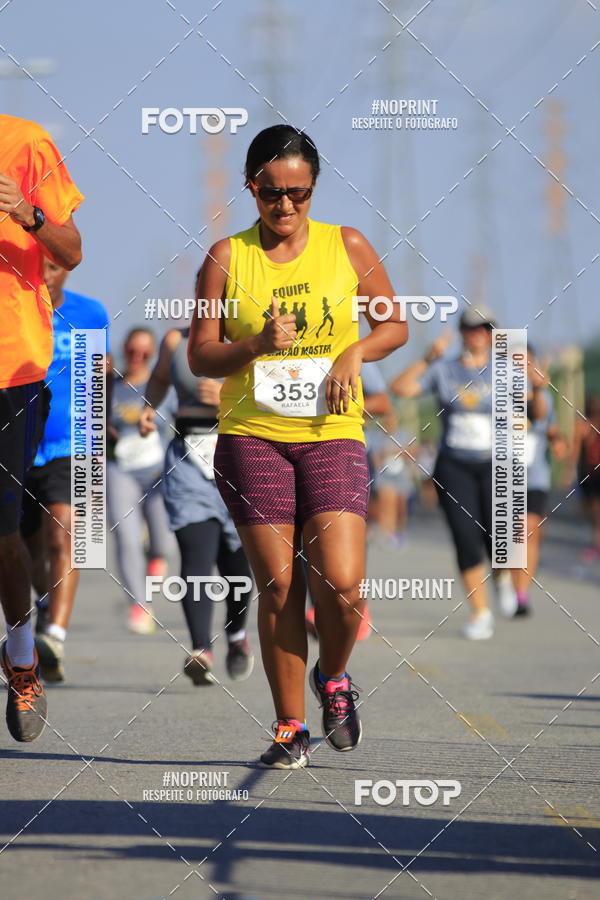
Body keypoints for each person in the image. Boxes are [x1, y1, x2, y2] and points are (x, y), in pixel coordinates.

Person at [188, 124, 408, 768]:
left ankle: (333, 678)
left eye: (299, 194)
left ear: (314, 189)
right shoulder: (227, 257)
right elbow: (202, 354)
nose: (285, 207)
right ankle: (289, 727)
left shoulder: (348, 244)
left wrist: (352, 353)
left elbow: (393, 323)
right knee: (280, 587)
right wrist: (256, 345)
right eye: (271, 194)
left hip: (332, 431)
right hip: (253, 433)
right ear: (251, 188)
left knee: (341, 585)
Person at [0, 114, 83, 741]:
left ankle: (25, 656)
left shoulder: (25, 142)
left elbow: (72, 248)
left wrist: (28, 214)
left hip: (14, 369)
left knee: (10, 533)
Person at [139, 324, 254, 684]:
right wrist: (149, 407)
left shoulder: (254, 337)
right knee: (195, 553)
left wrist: (228, 394)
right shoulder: (176, 339)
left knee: (237, 559)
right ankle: (201, 648)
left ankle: (236, 636)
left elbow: (278, 392)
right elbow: (159, 378)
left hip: (242, 454)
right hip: (189, 458)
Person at [392, 307, 516, 640]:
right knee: (465, 536)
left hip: (496, 463)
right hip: (454, 464)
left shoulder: (506, 369)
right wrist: (428, 358)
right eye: (471, 329)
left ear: (492, 335)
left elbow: (534, 406)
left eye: (484, 329)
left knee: (498, 537)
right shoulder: (444, 371)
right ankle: (480, 613)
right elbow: (400, 388)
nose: (478, 335)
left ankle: (503, 578)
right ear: (462, 332)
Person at [20, 260, 109, 682]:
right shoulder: (16, 308)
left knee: (66, 531)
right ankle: (43, 607)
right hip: (19, 442)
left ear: (69, 269)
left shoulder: (90, 314)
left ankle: (54, 635)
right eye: (42, 266)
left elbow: (95, 378)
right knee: (28, 550)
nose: (47, 273)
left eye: (55, 266)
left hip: (73, 442)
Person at [305, 360, 390, 640]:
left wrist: (337, 400)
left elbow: (382, 402)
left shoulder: (349, 350)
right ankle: (318, 607)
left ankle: (357, 606)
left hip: (343, 452)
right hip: (287, 451)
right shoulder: (278, 344)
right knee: (303, 542)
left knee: (347, 540)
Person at [108, 328, 175, 634]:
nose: (137, 357)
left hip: (159, 472)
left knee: (164, 544)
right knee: (126, 537)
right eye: (132, 351)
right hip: (120, 470)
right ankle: (139, 604)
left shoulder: (162, 387)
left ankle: (155, 558)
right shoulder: (109, 387)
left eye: (145, 353)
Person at [509, 347, 558, 616]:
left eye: (528, 362)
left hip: (535, 476)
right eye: (516, 363)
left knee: (529, 531)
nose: (523, 367)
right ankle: (507, 580)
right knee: (511, 536)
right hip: (503, 476)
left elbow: (541, 417)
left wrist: (537, 390)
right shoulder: (497, 395)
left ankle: (521, 595)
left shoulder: (544, 396)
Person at [572, 393, 600, 561]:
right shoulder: (582, 425)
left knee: (596, 512)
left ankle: (597, 545)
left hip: (593, 476)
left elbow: (575, 451)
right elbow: (576, 450)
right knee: (589, 510)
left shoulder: (582, 426)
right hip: (587, 475)